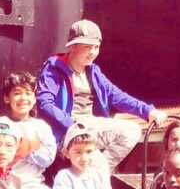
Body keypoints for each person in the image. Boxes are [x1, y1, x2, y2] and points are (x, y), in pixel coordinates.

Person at [36, 19, 167, 171]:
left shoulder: (94, 72)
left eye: (96, 47)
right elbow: (45, 103)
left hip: (90, 128)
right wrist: (73, 125)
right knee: (97, 157)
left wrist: (147, 111)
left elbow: (117, 96)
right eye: (87, 47)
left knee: (132, 130)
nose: (92, 52)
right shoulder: (54, 69)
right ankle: (94, 174)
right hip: (66, 130)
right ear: (72, 46)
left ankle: (95, 173)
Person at [2, 71, 70, 189]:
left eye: (28, 93)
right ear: (7, 98)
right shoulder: (2, 124)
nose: (23, 98)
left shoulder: (42, 126)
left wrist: (23, 149)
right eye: (17, 93)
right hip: (10, 181)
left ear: (34, 99)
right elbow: (3, 155)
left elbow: (47, 158)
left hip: (34, 183)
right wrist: (33, 145)